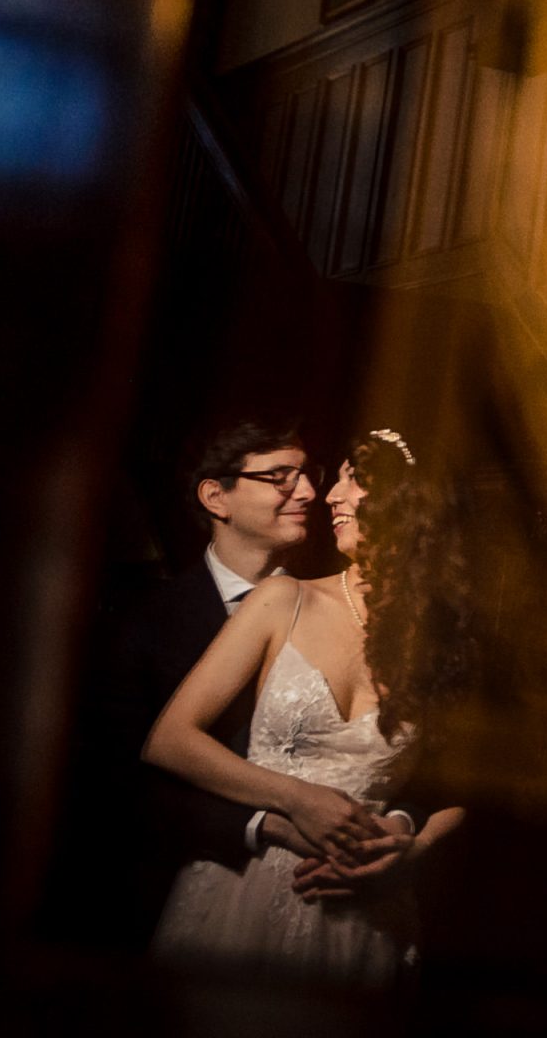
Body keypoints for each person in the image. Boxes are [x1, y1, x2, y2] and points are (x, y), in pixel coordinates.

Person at [146, 426, 468, 984]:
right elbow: (169, 740)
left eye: (355, 480)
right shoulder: (283, 598)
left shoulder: (444, 641)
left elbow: (460, 789)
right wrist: (297, 801)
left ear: (410, 505)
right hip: (247, 894)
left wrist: (412, 848)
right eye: (337, 479)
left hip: (370, 914)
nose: (331, 497)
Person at [91, 420, 320, 943]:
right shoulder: (143, 624)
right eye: (281, 476)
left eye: (307, 474)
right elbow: (118, 783)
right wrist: (263, 825)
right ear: (217, 496)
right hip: (178, 899)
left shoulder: (331, 609)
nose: (306, 492)